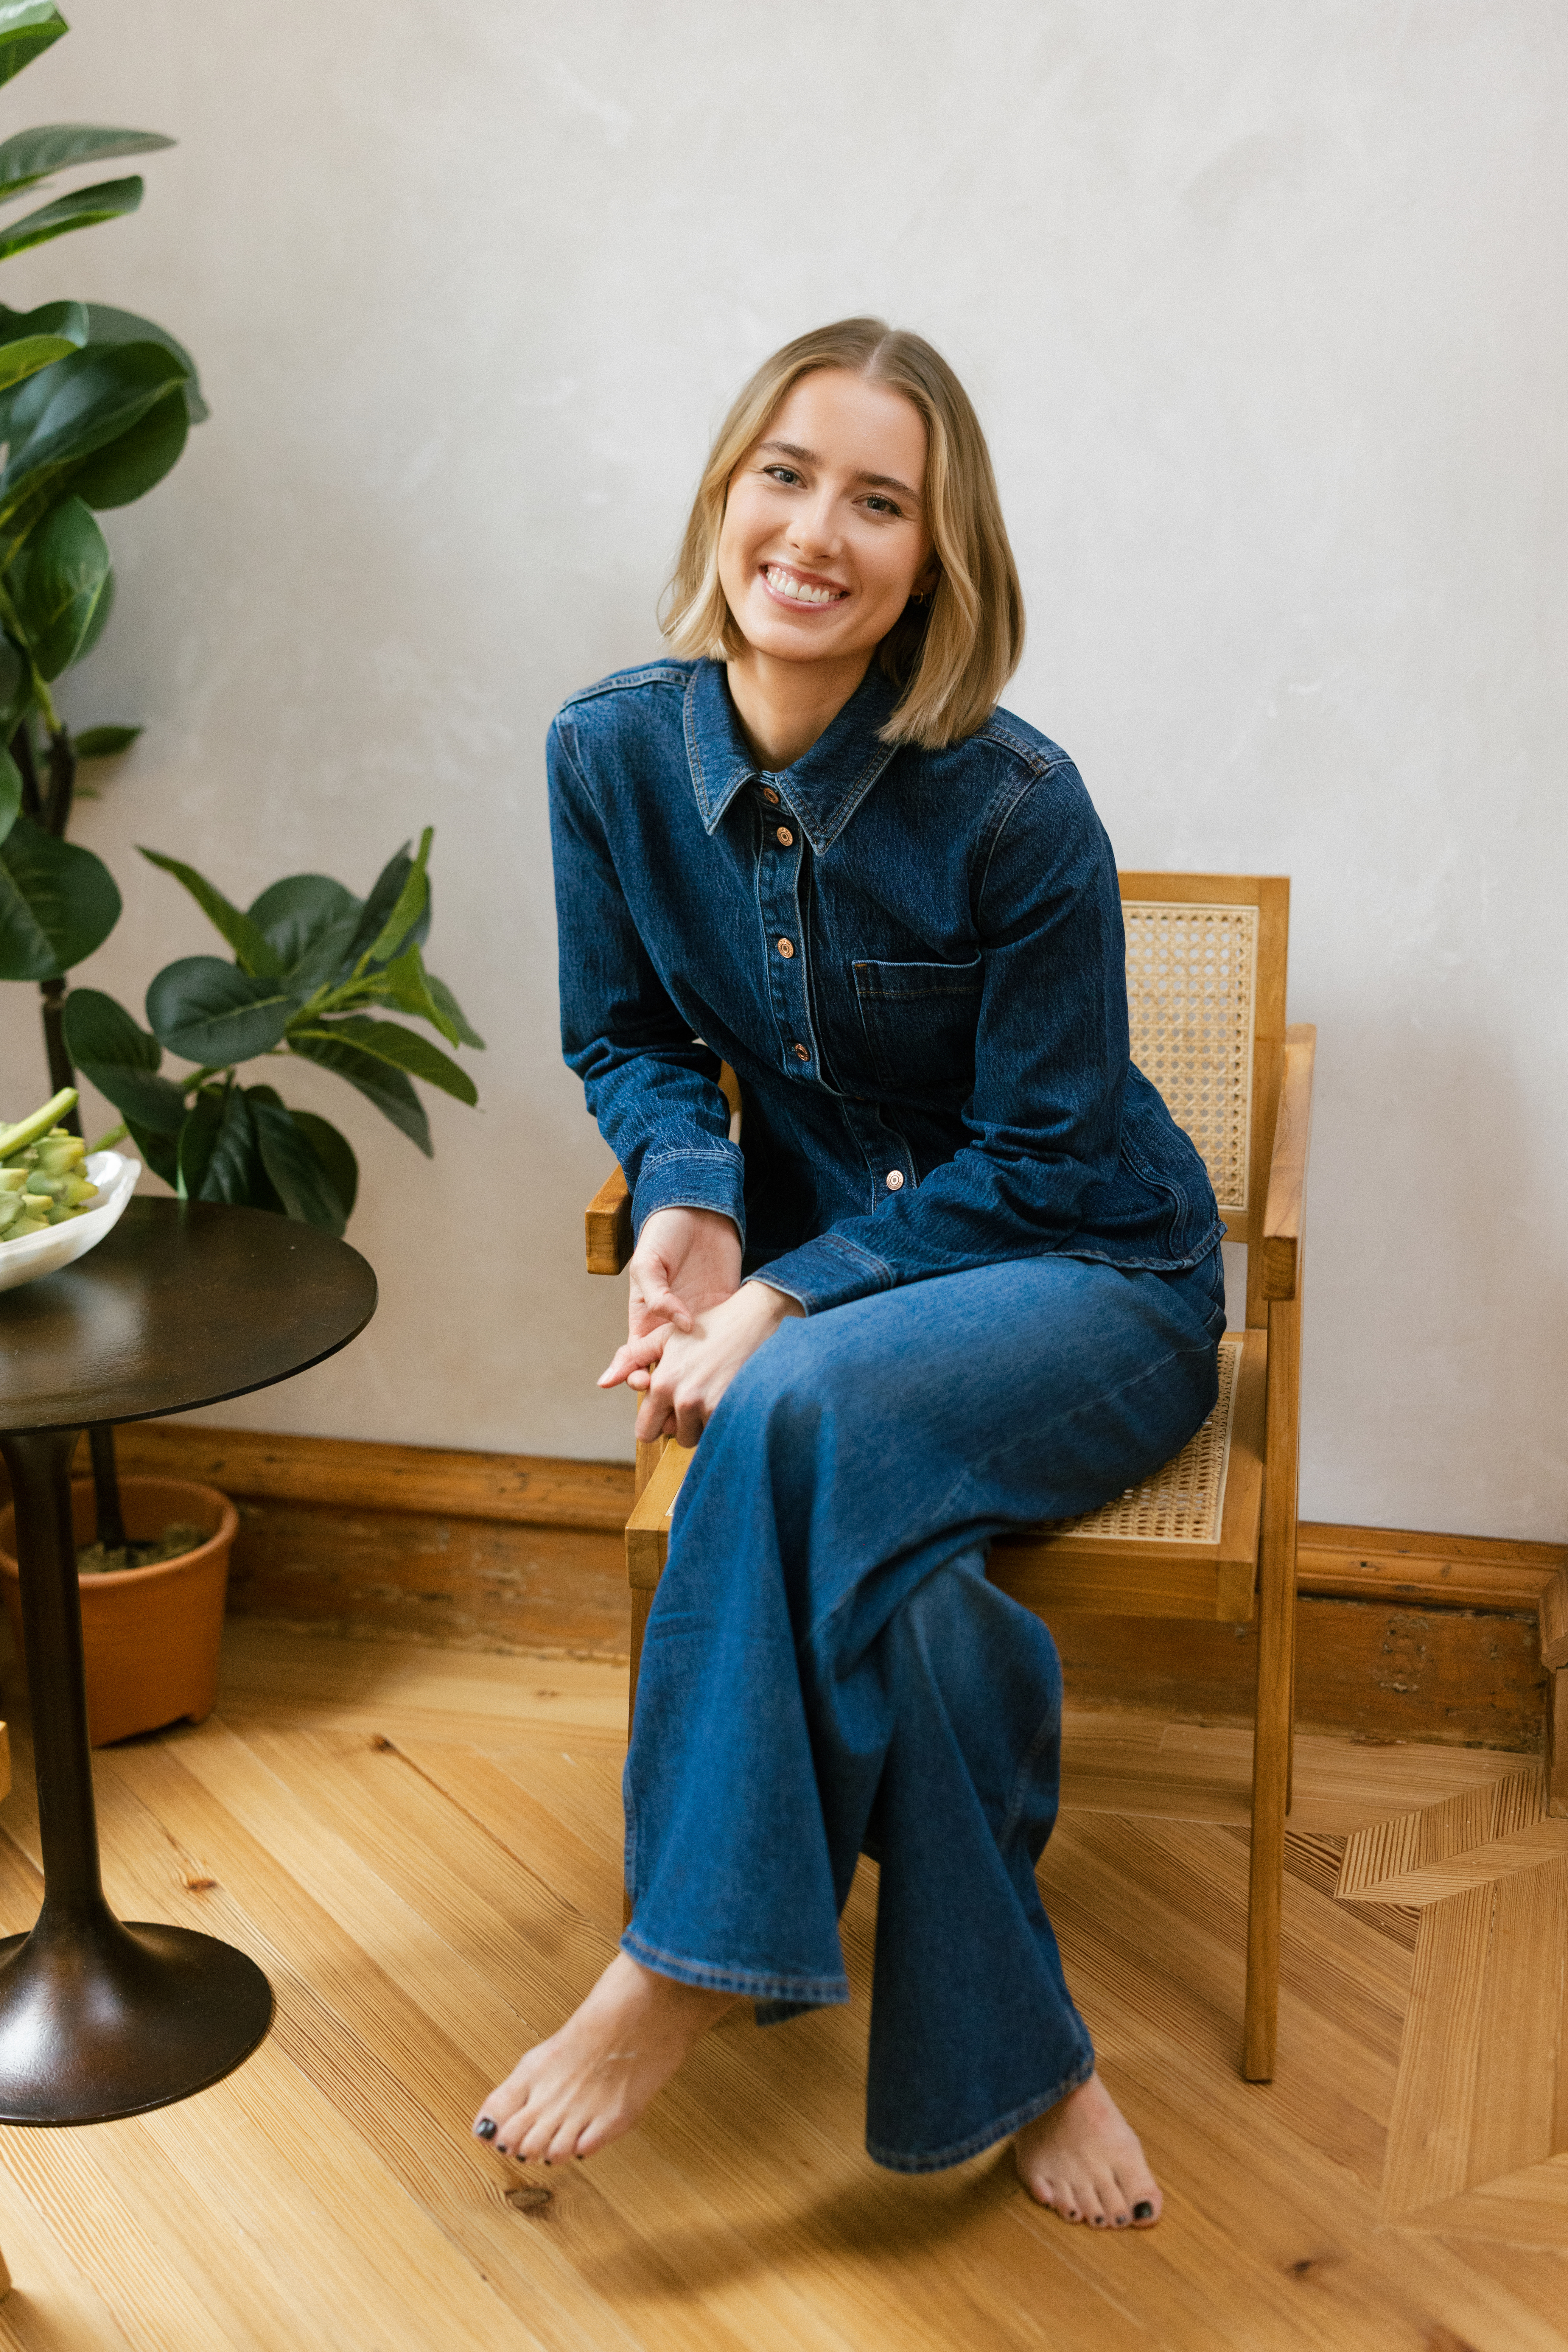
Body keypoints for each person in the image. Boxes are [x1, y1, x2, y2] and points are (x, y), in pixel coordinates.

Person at [475, 319, 1223, 2230]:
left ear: (936, 560)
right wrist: (695, 1205)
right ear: (728, 489)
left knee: (788, 1411)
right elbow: (629, 1035)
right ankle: (1025, 2050)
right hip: (838, 1298)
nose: (818, 530)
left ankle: (683, 1955)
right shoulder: (606, 754)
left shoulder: (1016, 804)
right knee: (914, 1599)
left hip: (1094, 1282)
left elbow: (1053, 1157)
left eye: (880, 500)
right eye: (787, 473)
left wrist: (787, 1300)